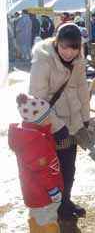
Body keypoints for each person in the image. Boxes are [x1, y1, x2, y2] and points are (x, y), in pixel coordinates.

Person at [29, 23, 90, 219]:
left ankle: (65, 200)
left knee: (69, 167)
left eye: (74, 48)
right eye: (65, 47)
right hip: (50, 124)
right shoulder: (43, 60)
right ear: (57, 42)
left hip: (72, 122)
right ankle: (57, 207)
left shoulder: (79, 59)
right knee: (54, 169)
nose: (69, 53)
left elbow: (82, 87)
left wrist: (85, 118)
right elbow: (36, 100)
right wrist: (57, 127)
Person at [8, 94, 64, 233]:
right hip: (43, 194)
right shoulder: (34, 141)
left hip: (35, 191)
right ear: (39, 120)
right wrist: (52, 189)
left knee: (37, 219)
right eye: (48, 117)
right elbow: (41, 170)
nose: (50, 119)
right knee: (47, 223)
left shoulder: (34, 135)